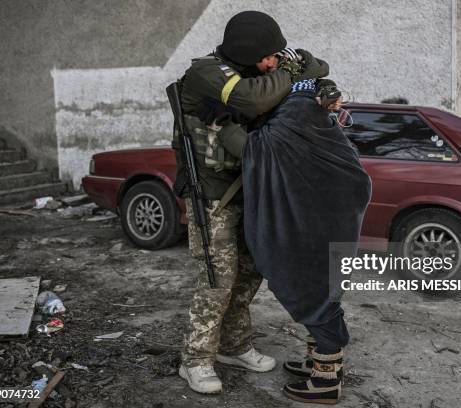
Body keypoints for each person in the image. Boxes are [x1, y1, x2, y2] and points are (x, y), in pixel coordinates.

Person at [173, 10, 329, 395]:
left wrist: (309, 72)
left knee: (249, 273)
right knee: (216, 281)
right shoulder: (206, 73)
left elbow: (319, 70)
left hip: (250, 191)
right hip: (211, 196)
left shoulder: (259, 72)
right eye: (269, 56)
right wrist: (295, 73)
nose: (274, 63)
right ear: (248, 51)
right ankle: (194, 361)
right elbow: (251, 100)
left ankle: (234, 346)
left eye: (278, 57)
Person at [242, 79, 372, 404]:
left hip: (319, 233)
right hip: (332, 230)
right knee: (324, 293)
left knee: (313, 293)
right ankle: (321, 362)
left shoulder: (295, 118)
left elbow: (253, 147)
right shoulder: (322, 125)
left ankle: (326, 382)